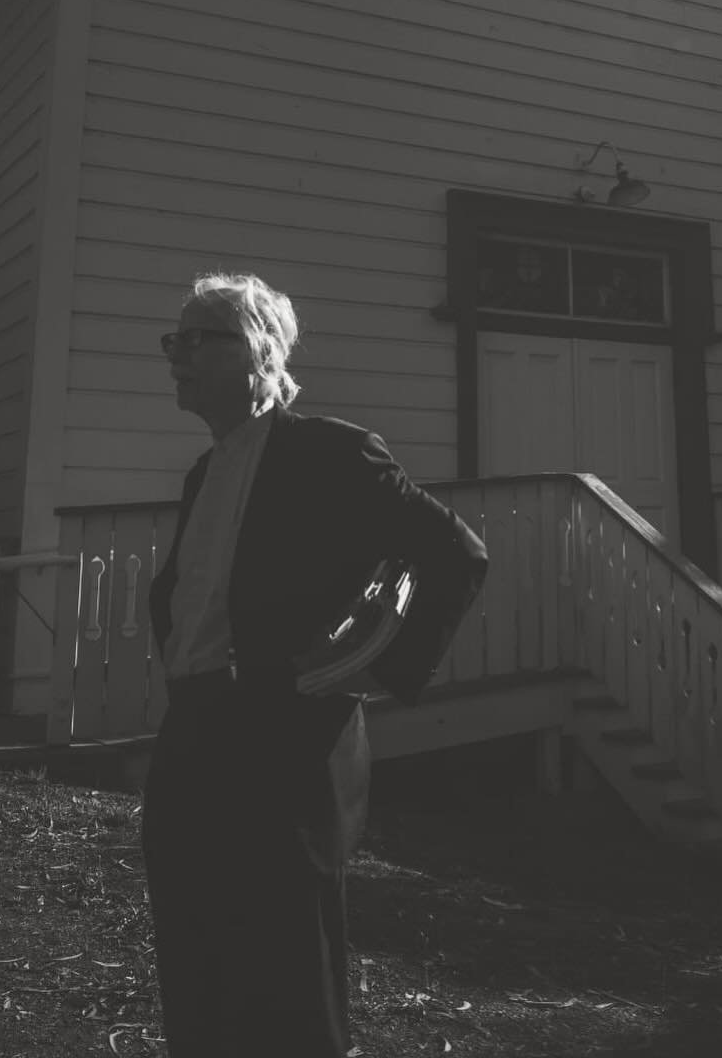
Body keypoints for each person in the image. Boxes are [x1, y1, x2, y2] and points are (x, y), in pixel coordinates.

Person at [143, 271, 489, 1057]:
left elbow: (454, 555)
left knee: (287, 967)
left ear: (261, 352)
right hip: (194, 731)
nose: (177, 356)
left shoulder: (332, 452)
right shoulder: (202, 473)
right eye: (173, 341)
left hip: (287, 739)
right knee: (197, 946)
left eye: (198, 339)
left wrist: (363, 668)